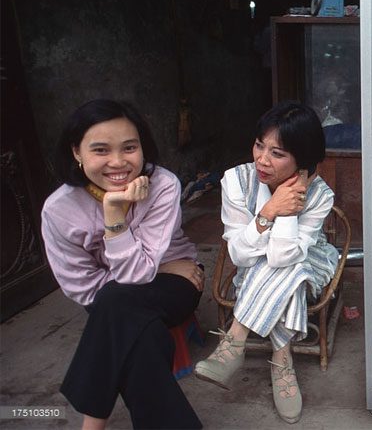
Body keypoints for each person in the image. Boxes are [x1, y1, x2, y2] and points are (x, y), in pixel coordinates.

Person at [41, 99, 204, 429]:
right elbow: (84, 290)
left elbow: (135, 274)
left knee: (116, 305)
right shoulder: (59, 211)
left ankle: (91, 423)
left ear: (142, 147)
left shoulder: (162, 186)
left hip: (178, 285)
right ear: (76, 152)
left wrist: (120, 228)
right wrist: (116, 214)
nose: (118, 162)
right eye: (100, 150)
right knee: (134, 328)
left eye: (129, 147)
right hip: (124, 293)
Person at [194, 101, 338, 424]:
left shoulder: (321, 196)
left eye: (278, 153)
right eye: (260, 145)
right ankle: (283, 360)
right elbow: (239, 255)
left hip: (310, 261)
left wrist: (286, 207)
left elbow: (282, 255)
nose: (262, 158)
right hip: (256, 269)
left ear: (303, 160)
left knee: (292, 267)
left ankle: (234, 343)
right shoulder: (235, 181)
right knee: (288, 276)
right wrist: (270, 210)